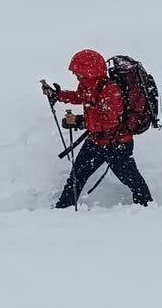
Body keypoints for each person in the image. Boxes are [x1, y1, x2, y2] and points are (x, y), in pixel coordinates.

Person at [44, 50, 154, 208]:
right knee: (76, 176)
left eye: (78, 72)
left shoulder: (111, 91)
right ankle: (62, 209)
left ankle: (147, 208)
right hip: (96, 142)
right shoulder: (89, 85)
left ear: (90, 72)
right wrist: (58, 95)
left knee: (131, 179)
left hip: (117, 145)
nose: (75, 75)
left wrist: (80, 121)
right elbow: (80, 97)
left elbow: (110, 122)